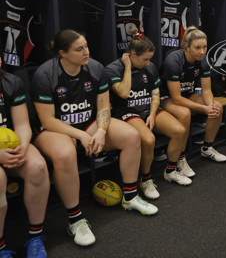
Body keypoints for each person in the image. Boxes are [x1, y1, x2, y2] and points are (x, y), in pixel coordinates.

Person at [32, 30, 157, 248]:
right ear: (63, 53)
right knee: (65, 153)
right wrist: (80, 135)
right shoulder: (45, 74)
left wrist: (100, 130)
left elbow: (102, 108)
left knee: (131, 136)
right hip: (54, 129)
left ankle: (130, 197)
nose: (86, 52)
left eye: (87, 46)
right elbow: (48, 120)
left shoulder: (96, 68)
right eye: (79, 49)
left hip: (88, 123)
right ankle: (75, 220)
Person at [106, 27, 192, 201]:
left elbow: (155, 94)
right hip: (127, 112)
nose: (148, 63)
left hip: (147, 109)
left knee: (179, 131)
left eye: (150, 59)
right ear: (131, 54)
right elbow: (123, 93)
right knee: (149, 139)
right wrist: (128, 68)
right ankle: (145, 179)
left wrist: (152, 114)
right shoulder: (113, 69)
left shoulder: (150, 67)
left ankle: (170, 171)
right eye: (144, 59)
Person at [0, 57, 50, 258]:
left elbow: (21, 124)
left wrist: (21, 147)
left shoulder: (11, 82)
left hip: (9, 145)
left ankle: (35, 237)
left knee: (37, 166)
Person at [160, 26, 226, 162]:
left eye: (205, 47)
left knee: (217, 107)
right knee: (184, 113)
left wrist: (210, 107)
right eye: (197, 47)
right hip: (166, 97)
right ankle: (180, 158)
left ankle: (207, 148)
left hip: (187, 93)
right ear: (187, 47)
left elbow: (207, 90)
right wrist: (204, 109)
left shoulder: (203, 60)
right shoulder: (173, 61)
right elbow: (177, 99)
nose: (202, 52)